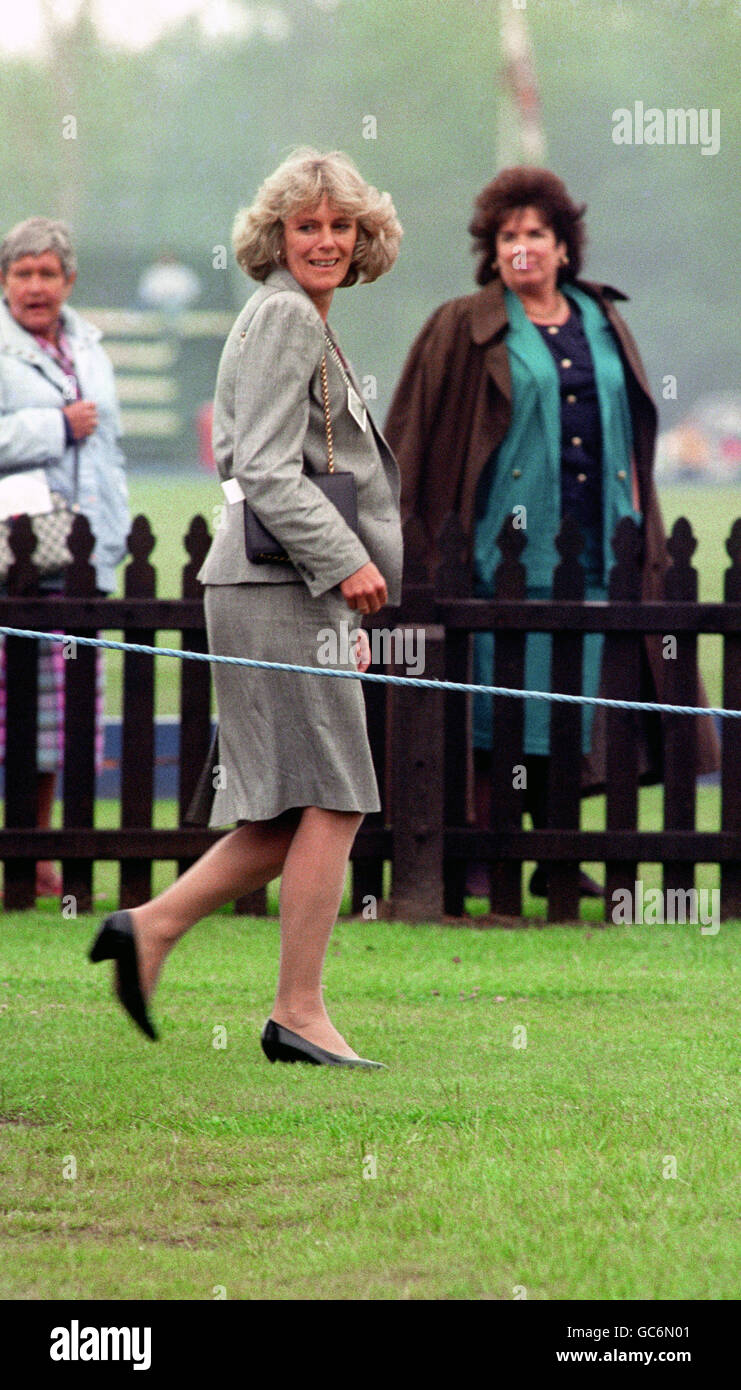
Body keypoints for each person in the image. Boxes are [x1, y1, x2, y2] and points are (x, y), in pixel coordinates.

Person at [89, 149, 403, 1068]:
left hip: (276, 585)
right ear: (275, 236)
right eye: (306, 226)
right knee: (338, 797)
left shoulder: (299, 317)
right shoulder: (283, 318)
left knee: (280, 812)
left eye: (340, 226)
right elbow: (262, 466)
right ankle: (297, 1011)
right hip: (279, 586)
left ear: (363, 237)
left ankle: (147, 930)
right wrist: (345, 559)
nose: (325, 241)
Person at [384, 167, 718, 900]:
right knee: (489, 707)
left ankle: (560, 856)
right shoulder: (459, 325)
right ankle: (475, 854)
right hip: (496, 558)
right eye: (508, 236)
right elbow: (410, 436)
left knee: (575, 708)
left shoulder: (602, 321)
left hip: (600, 551)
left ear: (564, 247)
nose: (522, 246)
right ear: (491, 250)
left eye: (536, 233)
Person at [0, 217, 130, 897]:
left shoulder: (91, 346)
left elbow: (108, 450)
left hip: (79, 558)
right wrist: (53, 427)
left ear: (68, 281)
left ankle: (41, 855)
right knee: (5, 714)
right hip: (10, 559)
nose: (35, 286)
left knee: (59, 716)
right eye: (22, 273)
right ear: (4, 282)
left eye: (47, 273)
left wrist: (115, 533)